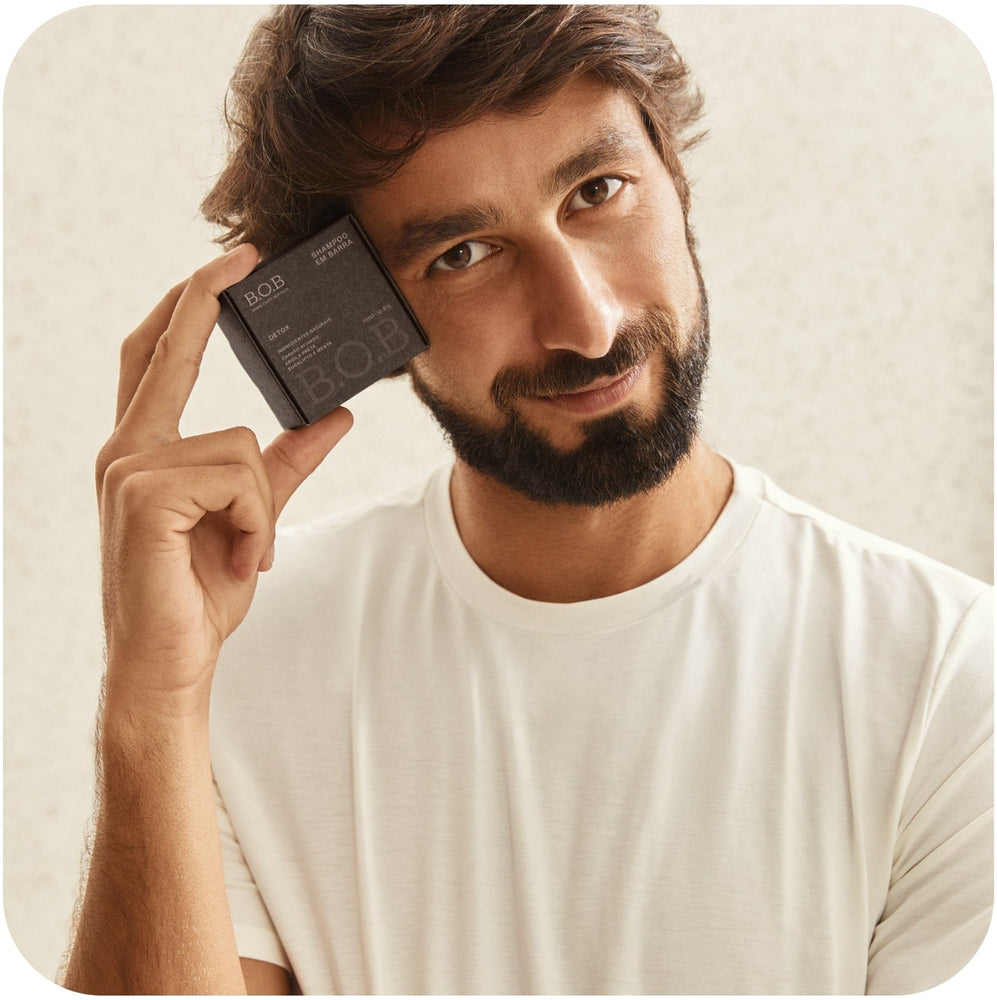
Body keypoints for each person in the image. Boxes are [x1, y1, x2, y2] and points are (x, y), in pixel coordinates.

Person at [63, 5, 992, 995]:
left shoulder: (945, 676)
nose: (585, 323)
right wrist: (151, 703)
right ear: (362, 319)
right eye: (462, 254)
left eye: (598, 191)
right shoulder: (236, 660)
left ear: (672, 175)